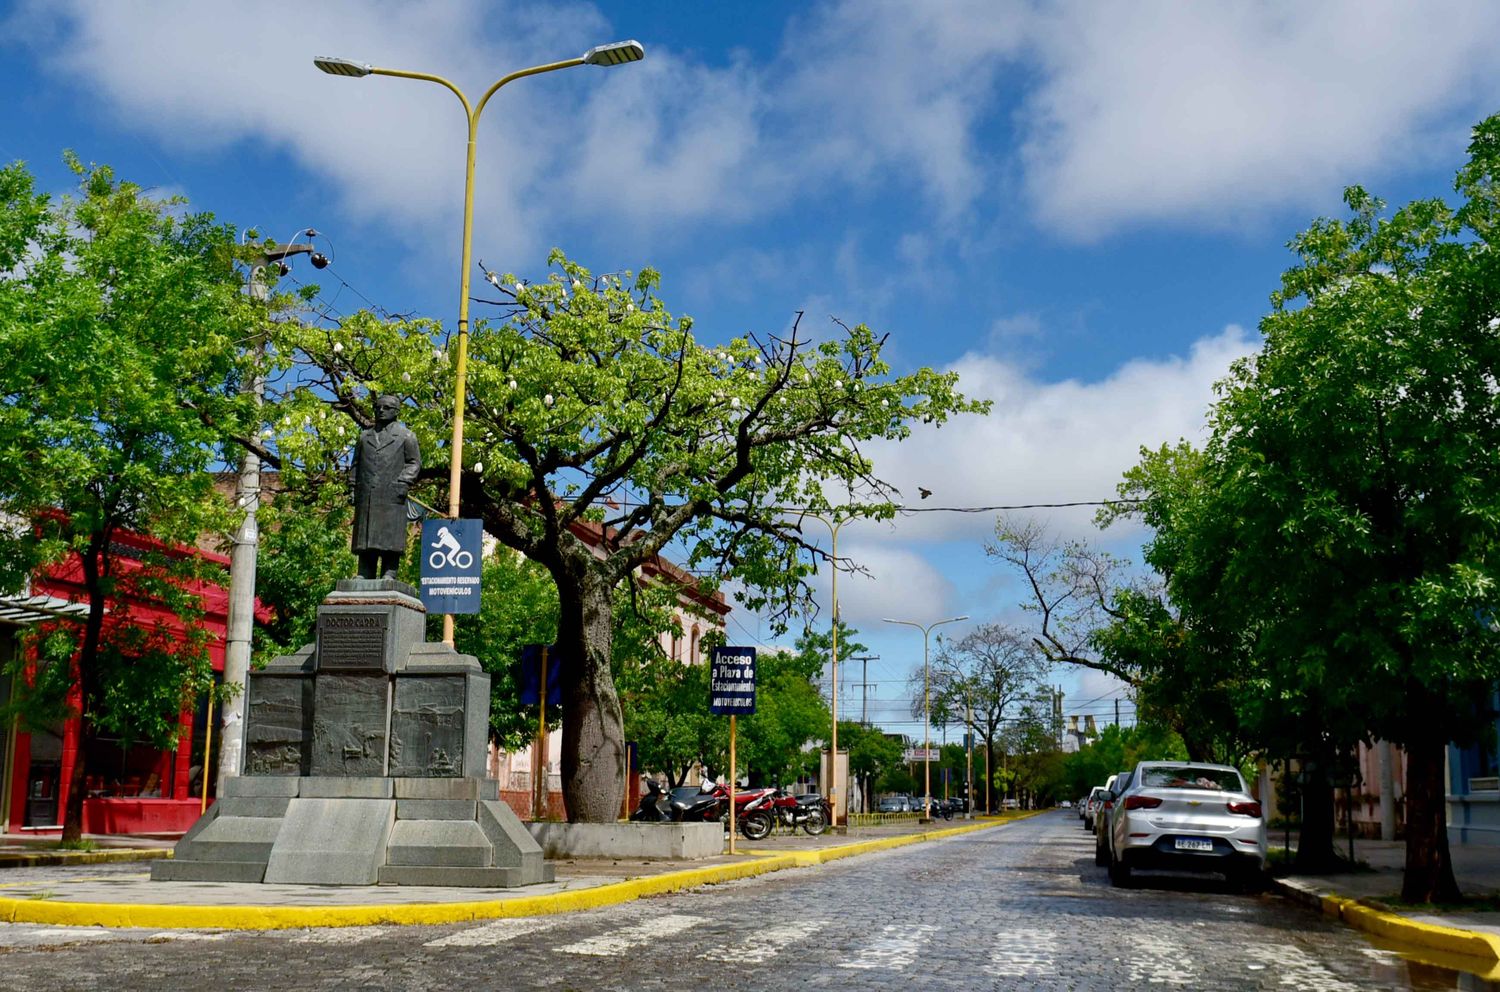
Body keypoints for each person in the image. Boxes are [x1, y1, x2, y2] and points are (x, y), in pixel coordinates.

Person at [351, 394, 420, 579]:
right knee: (366, 535)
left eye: (386, 408)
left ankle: (390, 572)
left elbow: (414, 463)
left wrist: (403, 482)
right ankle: (365, 571)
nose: (381, 411)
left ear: (396, 412)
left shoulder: (406, 436)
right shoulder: (364, 437)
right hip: (367, 494)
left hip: (392, 495)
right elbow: (356, 465)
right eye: (378, 407)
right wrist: (353, 487)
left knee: (390, 535)